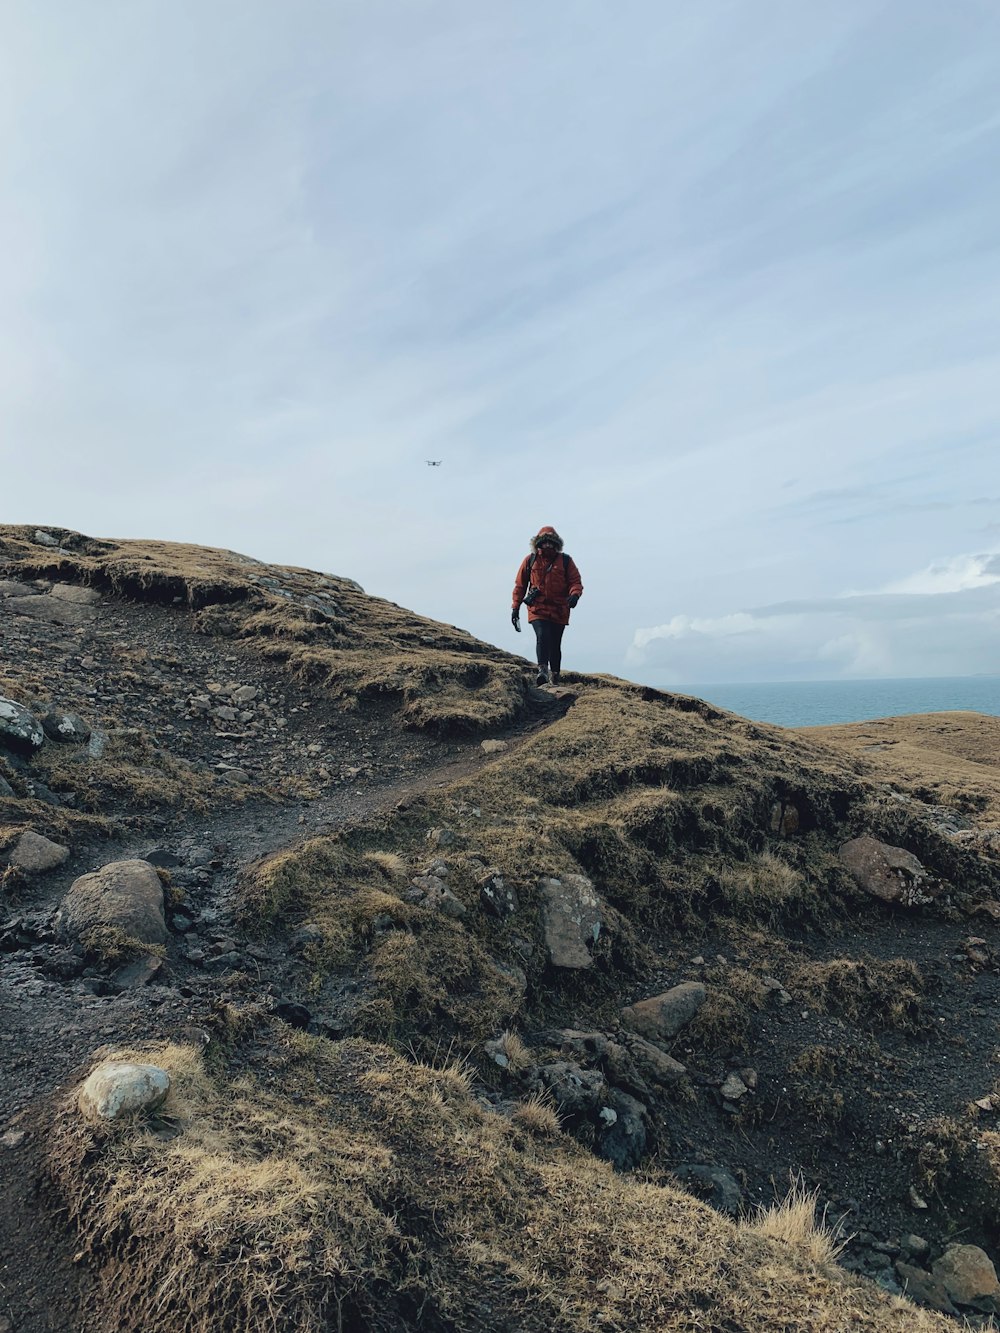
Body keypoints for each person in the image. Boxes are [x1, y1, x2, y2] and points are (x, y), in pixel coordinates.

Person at [511, 526, 583, 685]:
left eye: (551, 542)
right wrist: (515, 607)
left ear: (556, 544)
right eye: (545, 542)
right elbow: (520, 585)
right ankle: (542, 671)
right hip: (537, 608)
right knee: (542, 635)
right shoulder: (530, 560)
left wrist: (575, 595)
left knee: (555, 643)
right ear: (538, 543)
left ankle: (555, 676)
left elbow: (575, 581)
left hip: (560, 609)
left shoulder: (566, 561)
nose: (548, 545)